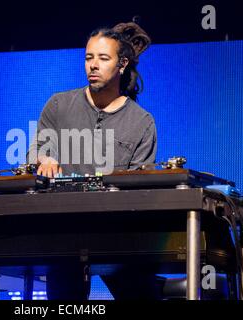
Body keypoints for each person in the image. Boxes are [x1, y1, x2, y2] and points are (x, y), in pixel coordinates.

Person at [27, 19, 158, 300]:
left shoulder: (141, 122)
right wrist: (43, 158)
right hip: (63, 231)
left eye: (102, 58)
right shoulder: (59, 105)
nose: (93, 65)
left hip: (118, 234)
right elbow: (37, 150)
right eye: (88, 58)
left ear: (122, 65)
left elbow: (141, 188)